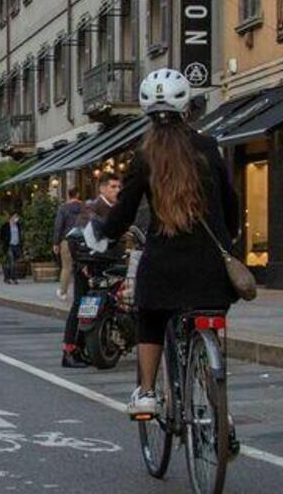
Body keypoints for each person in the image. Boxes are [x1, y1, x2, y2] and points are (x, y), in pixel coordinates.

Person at [94, 69, 243, 418]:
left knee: (150, 317)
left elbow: (124, 212)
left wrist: (103, 236)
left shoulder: (144, 156)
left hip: (164, 266)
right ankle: (220, 408)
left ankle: (146, 393)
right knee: (206, 320)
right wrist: (229, 238)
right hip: (211, 267)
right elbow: (230, 201)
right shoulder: (207, 146)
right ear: (186, 107)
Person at [61, 174, 123, 368]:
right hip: (88, 266)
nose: (117, 190)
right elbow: (80, 236)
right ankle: (69, 351)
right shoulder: (92, 208)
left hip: (108, 264)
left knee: (95, 306)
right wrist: (83, 264)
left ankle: (82, 348)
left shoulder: (118, 209)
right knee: (80, 305)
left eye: (118, 187)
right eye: (112, 186)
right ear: (102, 189)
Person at [53, 189, 84, 301]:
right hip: (82, 239)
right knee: (82, 266)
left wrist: (56, 242)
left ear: (68, 195)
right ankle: (81, 292)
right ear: (78, 195)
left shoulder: (63, 208)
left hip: (67, 240)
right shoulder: (84, 207)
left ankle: (63, 292)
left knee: (66, 267)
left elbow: (58, 226)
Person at [0, 212, 23, 283]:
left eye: (17, 217)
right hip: (9, 245)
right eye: (15, 217)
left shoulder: (18, 225)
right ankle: (12, 278)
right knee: (11, 261)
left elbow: (20, 235)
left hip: (16, 245)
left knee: (13, 263)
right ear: (11, 217)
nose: (17, 219)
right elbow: (1, 236)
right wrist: (3, 244)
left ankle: (7, 277)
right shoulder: (5, 226)